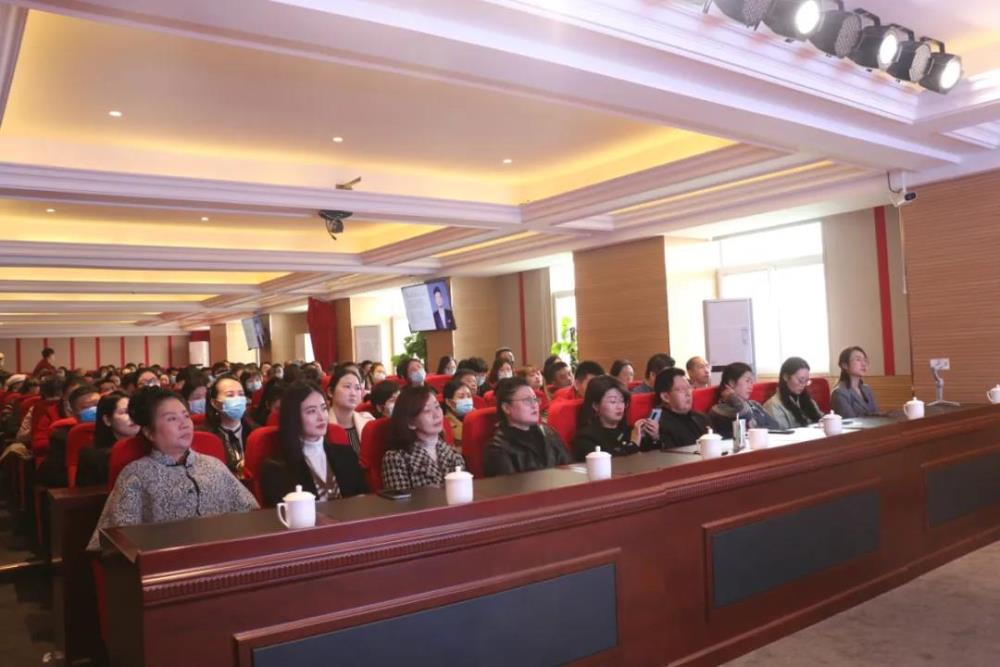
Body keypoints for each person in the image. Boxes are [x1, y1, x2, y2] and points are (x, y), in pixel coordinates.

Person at [88, 387, 258, 550]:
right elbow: (118, 541)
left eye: (186, 416)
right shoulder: (135, 475)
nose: (184, 424)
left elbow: (251, 515)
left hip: (224, 558)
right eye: (172, 419)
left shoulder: (214, 465)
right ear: (148, 432)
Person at [259, 381, 367, 506]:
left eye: (324, 408)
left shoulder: (346, 454)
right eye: (311, 411)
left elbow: (363, 499)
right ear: (294, 417)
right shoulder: (277, 468)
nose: (321, 417)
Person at [382, 386, 465, 490]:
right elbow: (401, 499)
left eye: (437, 407)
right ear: (411, 422)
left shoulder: (453, 454)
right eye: (427, 410)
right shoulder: (396, 459)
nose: (437, 415)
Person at [484, 377, 571, 477]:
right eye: (527, 400)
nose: (534, 405)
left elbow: (569, 470)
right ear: (506, 408)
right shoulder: (497, 447)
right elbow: (509, 485)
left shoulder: (548, 433)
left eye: (535, 399)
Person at [573, 375, 653, 460]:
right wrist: (633, 444)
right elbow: (608, 464)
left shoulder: (629, 431)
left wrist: (655, 436)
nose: (620, 407)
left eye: (622, 401)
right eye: (613, 401)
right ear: (596, 405)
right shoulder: (586, 437)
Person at [37, 383, 101, 487]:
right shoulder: (62, 436)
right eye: (86, 407)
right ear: (73, 413)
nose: (94, 410)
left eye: (97, 405)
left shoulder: (115, 430)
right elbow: (51, 475)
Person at [76, 391, 138, 487]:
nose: (132, 416)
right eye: (124, 412)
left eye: (135, 411)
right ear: (107, 420)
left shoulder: (153, 448)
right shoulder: (94, 457)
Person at [201, 375, 255, 474]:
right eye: (230, 395)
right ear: (215, 403)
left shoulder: (254, 431)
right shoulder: (206, 438)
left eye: (241, 394)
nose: (237, 399)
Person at [709, 362, 779, 438]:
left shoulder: (754, 404)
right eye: (747, 381)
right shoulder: (718, 410)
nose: (751, 386)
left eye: (752, 382)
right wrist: (733, 398)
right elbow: (744, 415)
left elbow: (775, 426)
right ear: (732, 382)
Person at [646, 368, 710, 449]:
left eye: (689, 388)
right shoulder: (658, 425)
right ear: (665, 397)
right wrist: (657, 438)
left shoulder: (702, 417)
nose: (688, 394)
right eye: (681, 390)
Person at [765, 357, 823, 429]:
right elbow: (782, 433)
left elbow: (821, 420)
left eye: (806, 381)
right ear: (786, 377)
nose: (803, 385)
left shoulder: (809, 401)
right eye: (800, 380)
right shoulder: (773, 405)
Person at [326, 368, 374, 453]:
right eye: (347, 387)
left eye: (357, 388)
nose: (353, 393)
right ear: (330, 392)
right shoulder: (322, 424)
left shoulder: (368, 421)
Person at [830, 346, 880, 417]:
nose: (864, 364)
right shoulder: (839, 393)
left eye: (865, 360)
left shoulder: (867, 389)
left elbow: (878, 415)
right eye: (858, 360)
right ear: (845, 365)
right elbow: (850, 421)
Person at [442, 378, 475, 449]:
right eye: (461, 397)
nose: (467, 400)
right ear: (449, 402)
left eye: (469, 396)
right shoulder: (445, 425)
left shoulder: (478, 416)